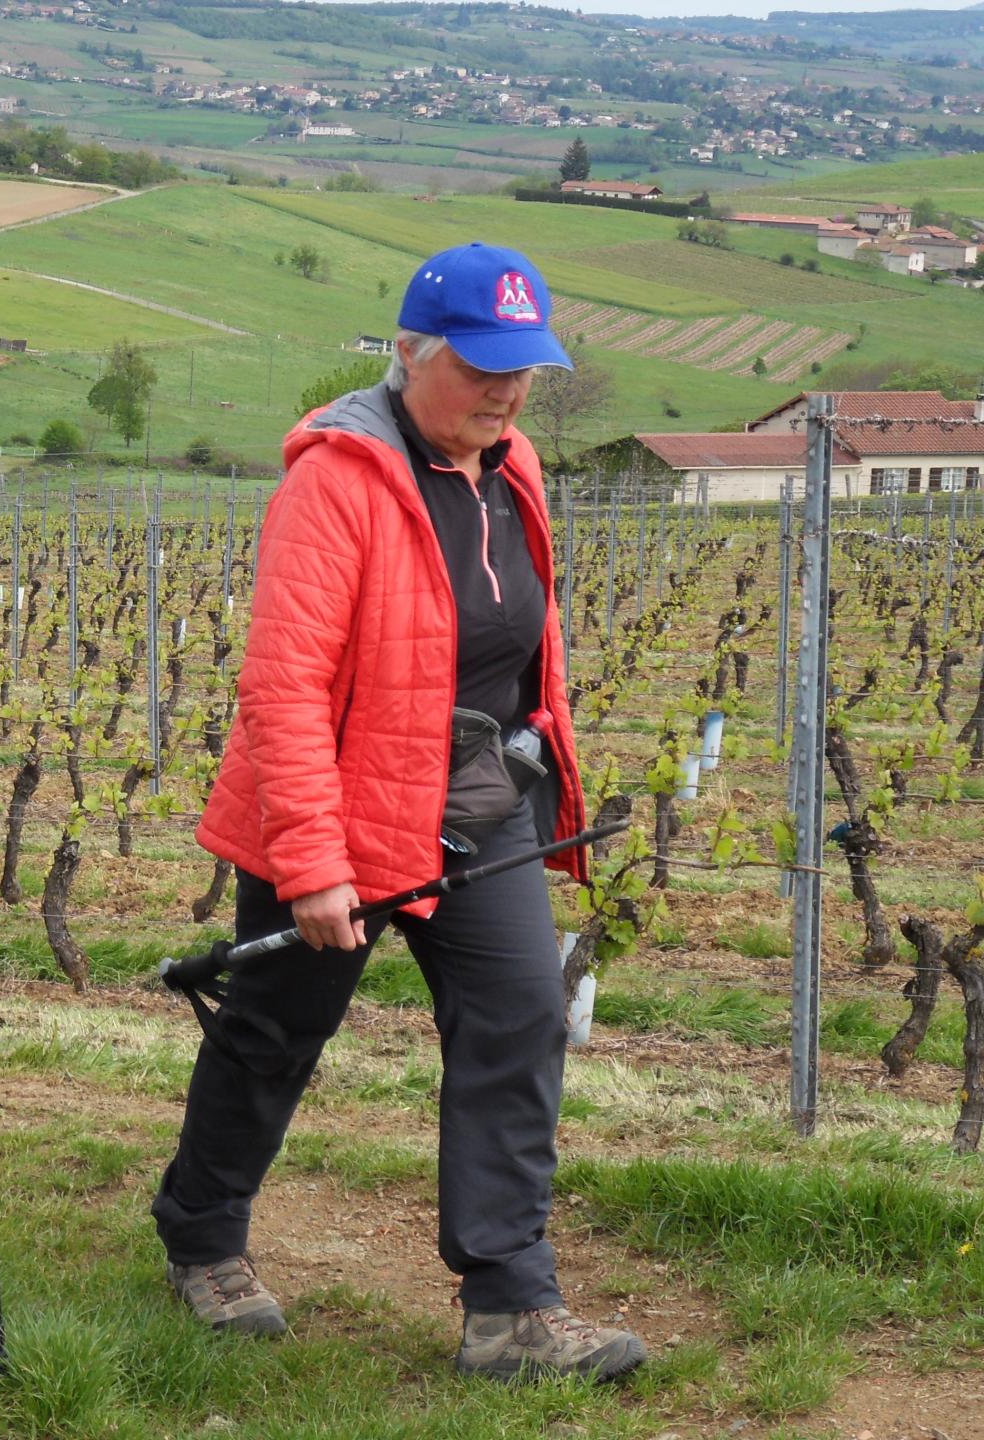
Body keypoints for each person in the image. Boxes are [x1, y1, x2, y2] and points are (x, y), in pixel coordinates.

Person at [149, 243, 648, 1384]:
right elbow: (283, 685)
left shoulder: (510, 462)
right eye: (485, 367)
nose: (510, 390)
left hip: (484, 806)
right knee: (274, 1030)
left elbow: (521, 644)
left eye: (525, 367)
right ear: (412, 353)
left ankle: (511, 1307)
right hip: (345, 808)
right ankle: (203, 1237)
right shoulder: (337, 480)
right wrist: (316, 863)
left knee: (522, 1017)